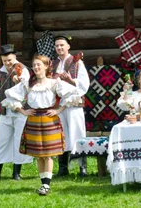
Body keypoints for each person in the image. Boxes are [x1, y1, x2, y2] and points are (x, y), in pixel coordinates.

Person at [1, 55, 79, 196]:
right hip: (34, 119)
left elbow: (72, 94)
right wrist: (23, 111)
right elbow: (11, 96)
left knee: (48, 155)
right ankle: (43, 183)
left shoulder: (54, 83)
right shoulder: (29, 84)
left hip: (50, 120)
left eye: (39, 65)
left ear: (47, 66)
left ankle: (46, 185)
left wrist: (58, 110)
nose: (36, 67)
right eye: (34, 65)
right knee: (39, 155)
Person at [0, 44, 33, 181]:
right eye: (5, 61)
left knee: (18, 141)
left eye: (10, 60)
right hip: (6, 112)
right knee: (2, 142)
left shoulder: (23, 70)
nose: (8, 63)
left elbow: (26, 87)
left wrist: (18, 80)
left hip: (21, 111)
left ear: (15, 57)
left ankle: (16, 173)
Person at [52, 36, 90, 177]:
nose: (59, 48)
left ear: (68, 46)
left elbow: (84, 83)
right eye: (57, 46)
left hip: (74, 103)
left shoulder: (77, 62)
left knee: (77, 133)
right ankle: (63, 168)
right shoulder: (53, 63)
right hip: (59, 103)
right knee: (60, 134)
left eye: (62, 45)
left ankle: (82, 167)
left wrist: (70, 80)